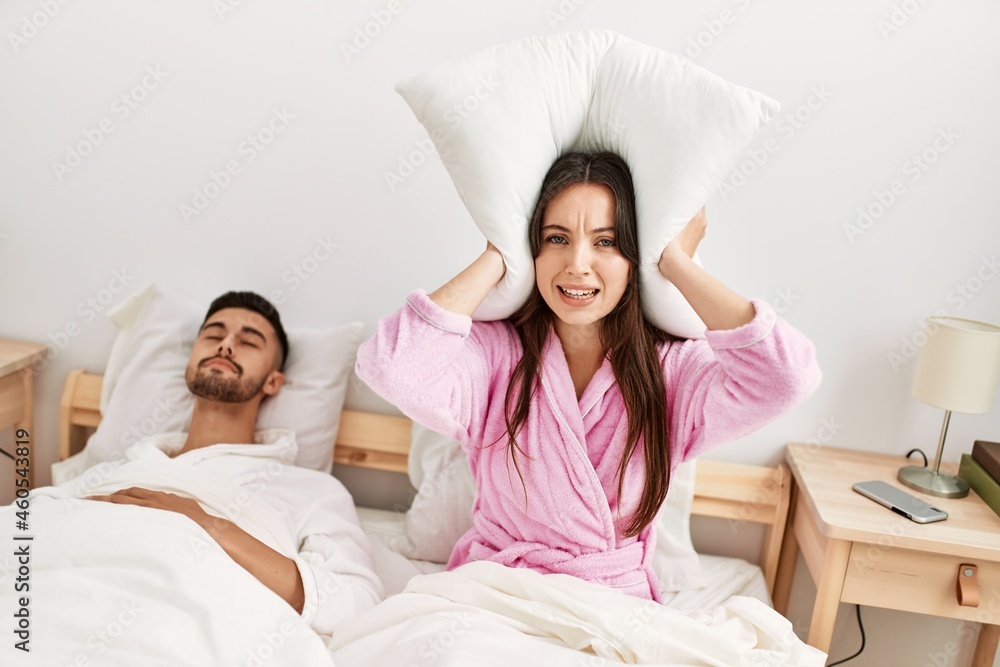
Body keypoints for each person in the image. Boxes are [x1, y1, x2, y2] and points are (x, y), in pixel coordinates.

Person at [355, 151, 821, 601]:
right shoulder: (496, 355)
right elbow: (390, 366)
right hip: (493, 594)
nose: (577, 264)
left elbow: (786, 378)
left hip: (610, 609)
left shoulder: (671, 371)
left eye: (606, 242)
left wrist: (675, 261)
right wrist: (499, 255)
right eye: (556, 239)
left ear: (634, 258)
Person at [70, 291, 381, 634]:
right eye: (214, 335)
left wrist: (207, 523)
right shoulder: (120, 469)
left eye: (248, 342)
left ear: (273, 381)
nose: (226, 345)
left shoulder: (312, 490)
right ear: (190, 362)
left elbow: (357, 602)